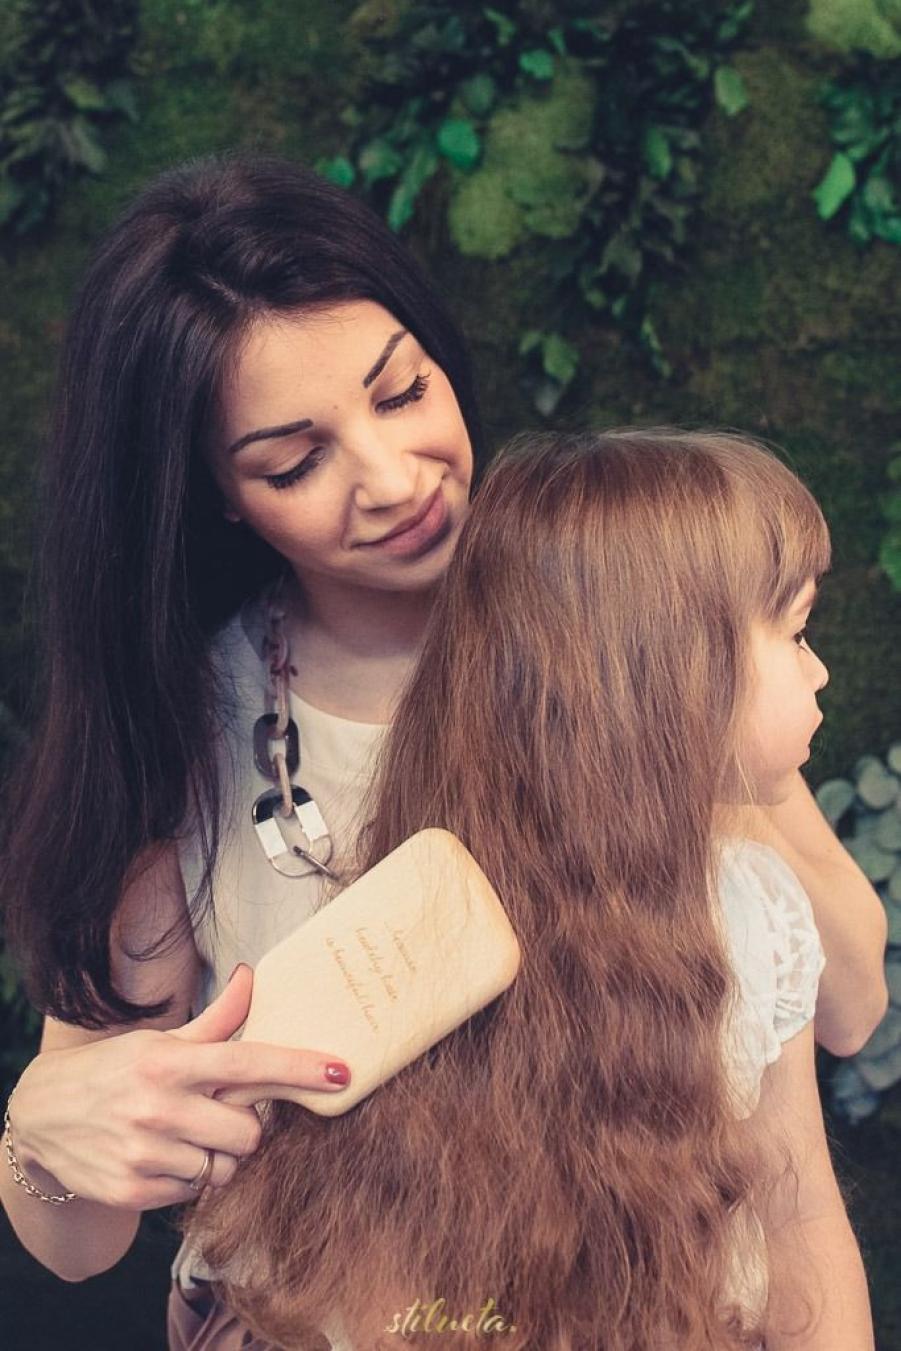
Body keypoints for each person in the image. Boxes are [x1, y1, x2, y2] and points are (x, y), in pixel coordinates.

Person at [0, 155, 885, 1342]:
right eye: (295, 460)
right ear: (210, 494)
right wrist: (45, 1128)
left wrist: (729, 765)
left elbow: (839, 1015)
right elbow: (75, 1239)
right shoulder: (183, 732)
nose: (393, 478)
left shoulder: (613, 617)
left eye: (402, 391)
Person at [184, 430, 878, 1350]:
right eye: (794, 633)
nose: (819, 668)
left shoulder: (755, 905)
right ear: (667, 672)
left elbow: (803, 1218)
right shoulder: (433, 921)